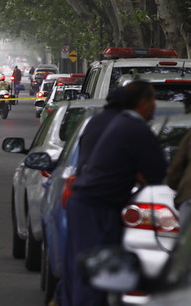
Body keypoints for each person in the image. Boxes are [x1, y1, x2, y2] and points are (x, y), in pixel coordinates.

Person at [61, 80, 166, 306]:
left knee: (81, 269)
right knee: (96, 273)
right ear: (142, 103)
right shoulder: (136, 129)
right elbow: (158, 174)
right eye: (153, 99)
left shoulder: (109, 122)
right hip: (98, 207)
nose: (155, 106)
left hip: (86, 203)